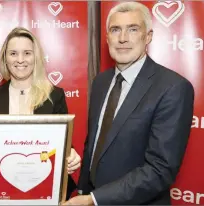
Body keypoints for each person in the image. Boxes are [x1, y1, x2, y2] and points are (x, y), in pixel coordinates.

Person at [64, 2, 194, 205]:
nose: (122, 38)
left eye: (133, 29)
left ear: (148, 36)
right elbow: (95, 145)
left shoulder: (173, 88)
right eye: (115, 30)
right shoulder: (101, 82)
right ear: (107, 37)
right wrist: (83, 190)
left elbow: (160, 170)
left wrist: (94, 199)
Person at [0, 27, 81, 198]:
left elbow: (63, 144)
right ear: (5, 58)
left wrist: (71, 155)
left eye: (27, 53)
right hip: (3, 189)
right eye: (13, 53)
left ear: (36, 57)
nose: (20, 60)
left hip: (46, 190)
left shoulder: (54, 95)